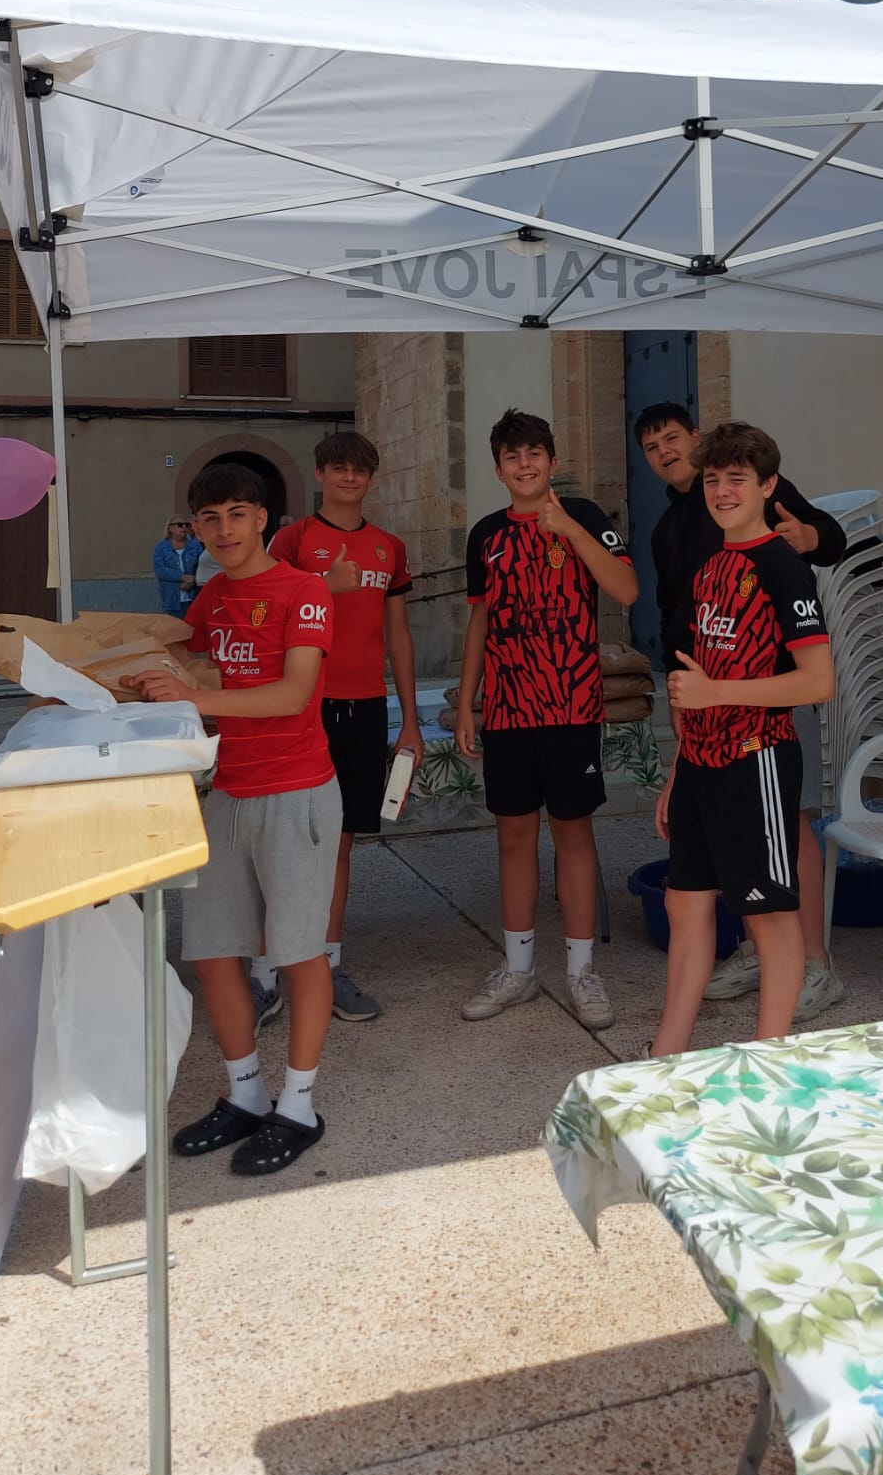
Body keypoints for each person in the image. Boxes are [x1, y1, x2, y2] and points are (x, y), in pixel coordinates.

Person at [133, 462, 340, 1177]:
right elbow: (180, 660)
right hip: (227, 791)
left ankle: (299, 1107)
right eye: (209, 518)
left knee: (298, 954)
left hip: (296, 791)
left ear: (263, 521)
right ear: (195, 528)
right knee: (213, 951)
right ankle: (247, 1094)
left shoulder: (304, 590)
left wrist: (193, 698)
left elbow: (293, 693)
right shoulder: (211, 598)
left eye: (237, 515)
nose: (223, 529)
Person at [635, 400, 848, 1020]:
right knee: (705, 881)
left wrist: (806, 540)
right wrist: (682, 739)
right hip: (704, 729)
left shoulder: (770, 534)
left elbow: (818, 677)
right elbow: (688, 639)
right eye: (651, 446)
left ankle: (798, 1001)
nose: (722, 491)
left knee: (779, 869)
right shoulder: (687, 546)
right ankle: (732, 982)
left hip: (764, 727)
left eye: (671, 438)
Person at [455, 408, 638, 1028]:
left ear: (553, 462)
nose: (524, 464)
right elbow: (479, 621)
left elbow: (626, 590)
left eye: (534, 453)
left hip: (571, 705)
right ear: (498, 470)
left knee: (573, 835)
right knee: (512, 836)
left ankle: (582, 971)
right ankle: (519, 968)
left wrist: (569, 530)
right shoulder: (486, 534)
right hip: (508, 709)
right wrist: (467, 702)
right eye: (512, 456)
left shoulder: (584, 515)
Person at [266, 431, 421, 1024]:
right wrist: (319, 586)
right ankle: (268, 970)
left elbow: (398, 635)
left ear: (371, 477)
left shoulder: (389, 548)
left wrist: (410, 720)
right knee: (282, 838)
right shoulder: (294, 540)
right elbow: (264, 613)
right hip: (302, 705)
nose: (349, 477)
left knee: (340, 841)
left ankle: (329, 964)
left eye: (359, 469)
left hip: (365, 706)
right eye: (338, 467)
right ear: (320, 474)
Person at [152, 517, 201, 617]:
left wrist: (193, 580)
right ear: (170, 528)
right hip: (172, 601)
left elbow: (202, 567)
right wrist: (183, 577)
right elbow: (160, 571)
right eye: (180, 525)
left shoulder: (195, 546)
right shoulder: (160, 548)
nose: (184, 527)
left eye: (187, 525)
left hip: (194, 599)